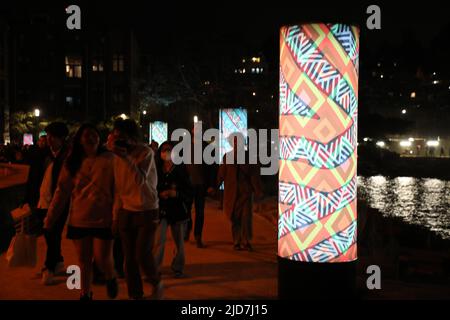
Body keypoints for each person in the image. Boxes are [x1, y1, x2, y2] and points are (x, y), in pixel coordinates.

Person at [44, 124, 118, 300]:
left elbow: (119, 189)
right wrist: (51, 217)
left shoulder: (110, 159)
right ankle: (85, 293)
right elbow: (61, 191)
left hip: (103, 219)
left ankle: (110, 276)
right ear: (79, 140)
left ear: (99, 138)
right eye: (86, 135)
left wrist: (117, 215)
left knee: (102, 258)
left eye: (94, 134)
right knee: (84, 261)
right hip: (79, 218)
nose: (91, 138)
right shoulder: (72, 161)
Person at [107, 119, 163, 300]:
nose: (119, 140)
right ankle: (135, 295)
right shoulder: (116, 156)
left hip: (147, 209)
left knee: (142, 253)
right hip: (125, 209)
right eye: (116, 137)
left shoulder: (145, 152)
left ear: (132, 137)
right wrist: (115, 215)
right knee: (128, 258)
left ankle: (155, 282)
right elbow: (117, 188)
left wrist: (125, 156)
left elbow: (139, 180)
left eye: (122, 137)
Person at [28, 122, 70, 285]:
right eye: (48, 135)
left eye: (53, 136)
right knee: (50, 235)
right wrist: (28, 199)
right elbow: (33, 177)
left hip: (59, 202)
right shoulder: (43, 154)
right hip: (41, 201)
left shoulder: (68, 156)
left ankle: (49, 267)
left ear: (62, 138)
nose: (49, 139)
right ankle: (58, 262)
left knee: (52, 233)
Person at [216, 134, 263, 251]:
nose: (237, 144)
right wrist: (214, 186)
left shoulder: (249, 157)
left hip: (246, 192)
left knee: (246, 218)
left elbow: (254, 175)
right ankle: (236, 241)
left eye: (239, 142)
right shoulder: (227, 156)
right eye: (235, 142)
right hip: (232, 193)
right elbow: (222, 173)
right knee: (235, 217)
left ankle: (246, 241)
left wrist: (257, 190)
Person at [155, 141, 193, 278]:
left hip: (178, 210)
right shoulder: (156, 169)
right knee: (159, 240)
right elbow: (151, 187)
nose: (166, 152)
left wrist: (176, 194)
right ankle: (155, 268)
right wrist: (159, 194)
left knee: (179, 242)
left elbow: (189, 191)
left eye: (169, 150)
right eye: (164, 150)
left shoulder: (180, 169)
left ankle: (178, 267)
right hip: (161, 210)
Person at [185, 126, 216, 248]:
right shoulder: (185, 146)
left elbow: (212, 168)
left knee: (200, 212)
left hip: (201, 185)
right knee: (186, 210)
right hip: (187, 185)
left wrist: (212, 185)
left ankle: (198, 236)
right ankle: (187, 230)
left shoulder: (207, 148)